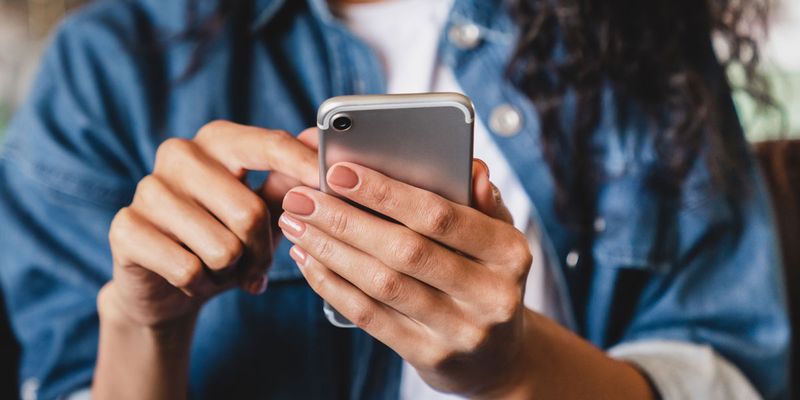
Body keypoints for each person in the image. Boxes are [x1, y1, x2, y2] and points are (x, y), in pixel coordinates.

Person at [0, 0, 789, 399]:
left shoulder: (631, 27)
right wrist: (144, 324)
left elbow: (723, 374)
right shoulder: (110, 67)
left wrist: (511, 369)